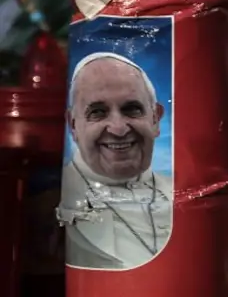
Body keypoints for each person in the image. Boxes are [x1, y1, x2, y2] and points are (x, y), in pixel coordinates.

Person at [60, 52, 173, 270]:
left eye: (132, 109)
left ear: (155, 118)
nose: (118, 129)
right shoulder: (51, 198)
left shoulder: (183, 191)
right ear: (73, 125)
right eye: (97, 112)